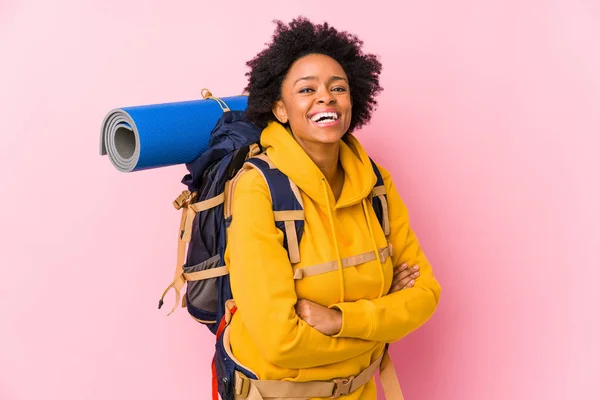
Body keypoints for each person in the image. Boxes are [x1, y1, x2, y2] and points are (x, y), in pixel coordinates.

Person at [223, 16, 442, 399]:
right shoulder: (259, 190)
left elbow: (425, 294)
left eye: (337, 87)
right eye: (306, 89)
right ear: (279, 109)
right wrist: (381, 323)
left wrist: (338, 320)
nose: (326, 97)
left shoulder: (376, 183)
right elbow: (281, 342)